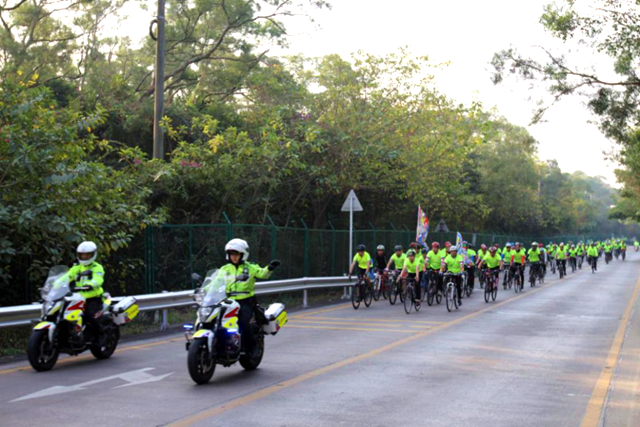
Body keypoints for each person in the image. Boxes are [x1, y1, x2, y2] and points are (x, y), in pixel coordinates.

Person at [221, 238, 279, 356]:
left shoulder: (250, 267)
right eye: (232, 254)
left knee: (243, 323)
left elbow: (262, 273)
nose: (234, 257)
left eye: (236, 254)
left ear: (243, 254)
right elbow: (214, 282)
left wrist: (269, 268)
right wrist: (203, 291)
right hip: (228, 302)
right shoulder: (224, 269)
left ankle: (252, 348)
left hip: (245, 302)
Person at [64, 241, 105, 335]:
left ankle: (99, 335)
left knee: (90, 316)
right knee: (65, 314)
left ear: (93, 254)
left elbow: (98, 279)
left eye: (87, 255)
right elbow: (66, 277)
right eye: (82, 255)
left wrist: (90, 285)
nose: (84, 257)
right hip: (77, 297)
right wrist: (54, 284)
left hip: (93, 297)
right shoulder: (76, 268)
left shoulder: (97, 267)